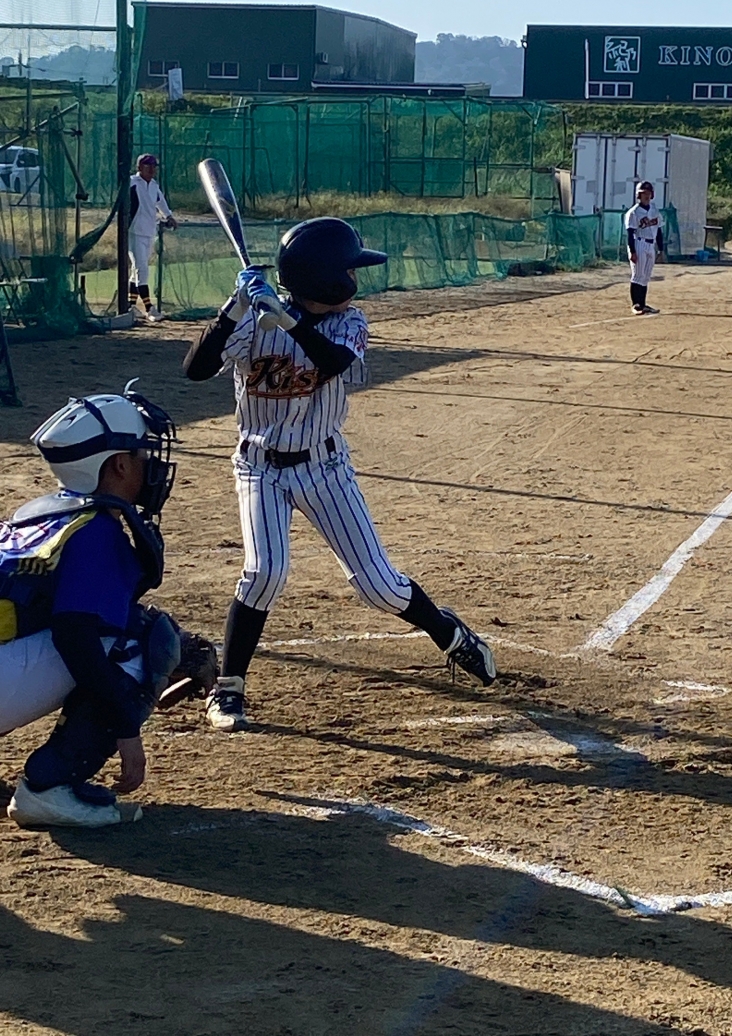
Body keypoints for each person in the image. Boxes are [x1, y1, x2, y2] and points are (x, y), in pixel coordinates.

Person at [183, 217, 497, 731]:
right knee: (264, 573)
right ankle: (229, 689)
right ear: (325, 279)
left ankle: (449, 634)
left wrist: (286, 319)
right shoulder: (253, 323)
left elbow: (330, 363)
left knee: (380, 587)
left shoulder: (349, 322)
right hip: (259, 467)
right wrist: (231, 311)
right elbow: (194, 370)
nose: (355, 277)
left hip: (325, 467)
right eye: (348, 270)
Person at [1, 385, 187, 828]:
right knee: (143, 637)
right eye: (141, 454)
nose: (150, 464)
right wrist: (127, 728)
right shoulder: (95, 530)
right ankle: (49, 788)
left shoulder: (37, 513)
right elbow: (75, 637)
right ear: (119, 464)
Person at [129, 154, 177, 323]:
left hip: (149, 231)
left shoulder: (154, 186)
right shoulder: (132, 183)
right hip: (134, 232)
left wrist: (168, 216)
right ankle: (149, 308)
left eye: (154, 166)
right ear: (140, 167)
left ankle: (131, 306)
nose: (152, 169)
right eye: (148, 165)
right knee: (142, 269)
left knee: (137, 270)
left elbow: (161, 202)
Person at [625, 180, 664, 315]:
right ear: (638, 195)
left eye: (648, 193)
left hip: (651, 244)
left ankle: (643, 304)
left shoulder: (654, 210)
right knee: (638, 275)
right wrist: (632, 251)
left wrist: (661, 249)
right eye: (643, 193)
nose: (646, 196)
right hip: (639, 243)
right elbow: (630, 233)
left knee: (646, 276)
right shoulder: (634, 212)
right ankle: (636, 304)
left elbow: (659, 230)